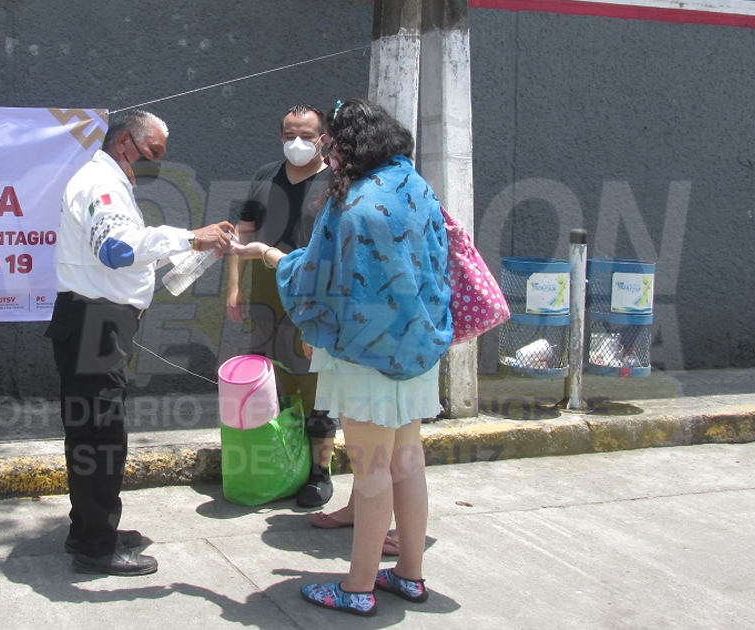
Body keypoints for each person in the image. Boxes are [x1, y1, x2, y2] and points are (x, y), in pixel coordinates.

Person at [231, 98, 451, 616]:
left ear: (349, 145)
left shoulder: (350, 201)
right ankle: (411, 575)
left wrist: (265, 254)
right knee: (407, 462)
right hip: (418, 347)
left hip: (364, 355)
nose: (325, 154)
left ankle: (356, 588)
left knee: (372, 471)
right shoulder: (415, 186)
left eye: (331, 145)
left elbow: (316, 276)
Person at [46, 109, 236, 576]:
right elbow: (118, 250)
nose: (155, 163)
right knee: (101, 436)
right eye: (152, 153)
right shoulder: (103, 185)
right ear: (125, 143)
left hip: (94, 322)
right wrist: (192, 237)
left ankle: (89, 528)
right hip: (97, 324)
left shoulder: (104, 180)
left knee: (89, 432)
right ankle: (96, 546)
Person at [225, 104, 338, 508]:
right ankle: (285, 462)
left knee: (315, 386)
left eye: (307, 135)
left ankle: (319, 474)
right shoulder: (264, 177)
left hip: (314, 298)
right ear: (280, 137)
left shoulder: (337, 182)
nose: (298, 143)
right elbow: (244, 232)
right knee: (273, 382)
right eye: (290, 134)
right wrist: (235, 287)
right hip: (265, 297)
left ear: (324, 138)